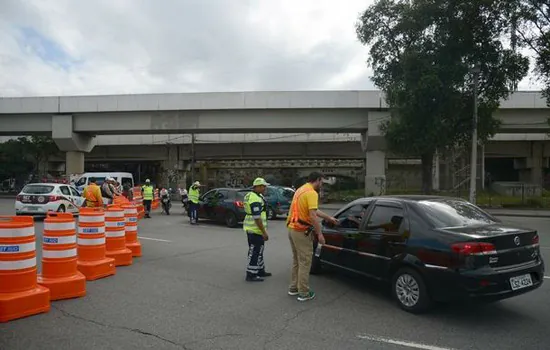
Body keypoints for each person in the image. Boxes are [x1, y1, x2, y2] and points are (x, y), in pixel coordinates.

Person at [286, 172, 338, 302]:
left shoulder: (301, 190)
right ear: (318, 180)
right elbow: (313, 216)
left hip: (292, 229)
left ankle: (294, 288)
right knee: (305, 261)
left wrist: (329, 218)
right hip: (301, 231)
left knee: (297, 260)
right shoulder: (312, 193)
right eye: (322, 182)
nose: (322, 185)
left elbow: (314, 210)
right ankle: (304, 292)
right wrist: (320, 234)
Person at [243, 177, 272, 282]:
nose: (265, 188)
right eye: (263, 186)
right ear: (258, 187)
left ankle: (260, 270)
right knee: (255, 251)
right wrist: (264, 232)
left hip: (253, 228)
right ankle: (251, 274)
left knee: (258, 250)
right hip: (255, 229)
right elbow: (257, 217)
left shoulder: (254, 195)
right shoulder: (255, 198)